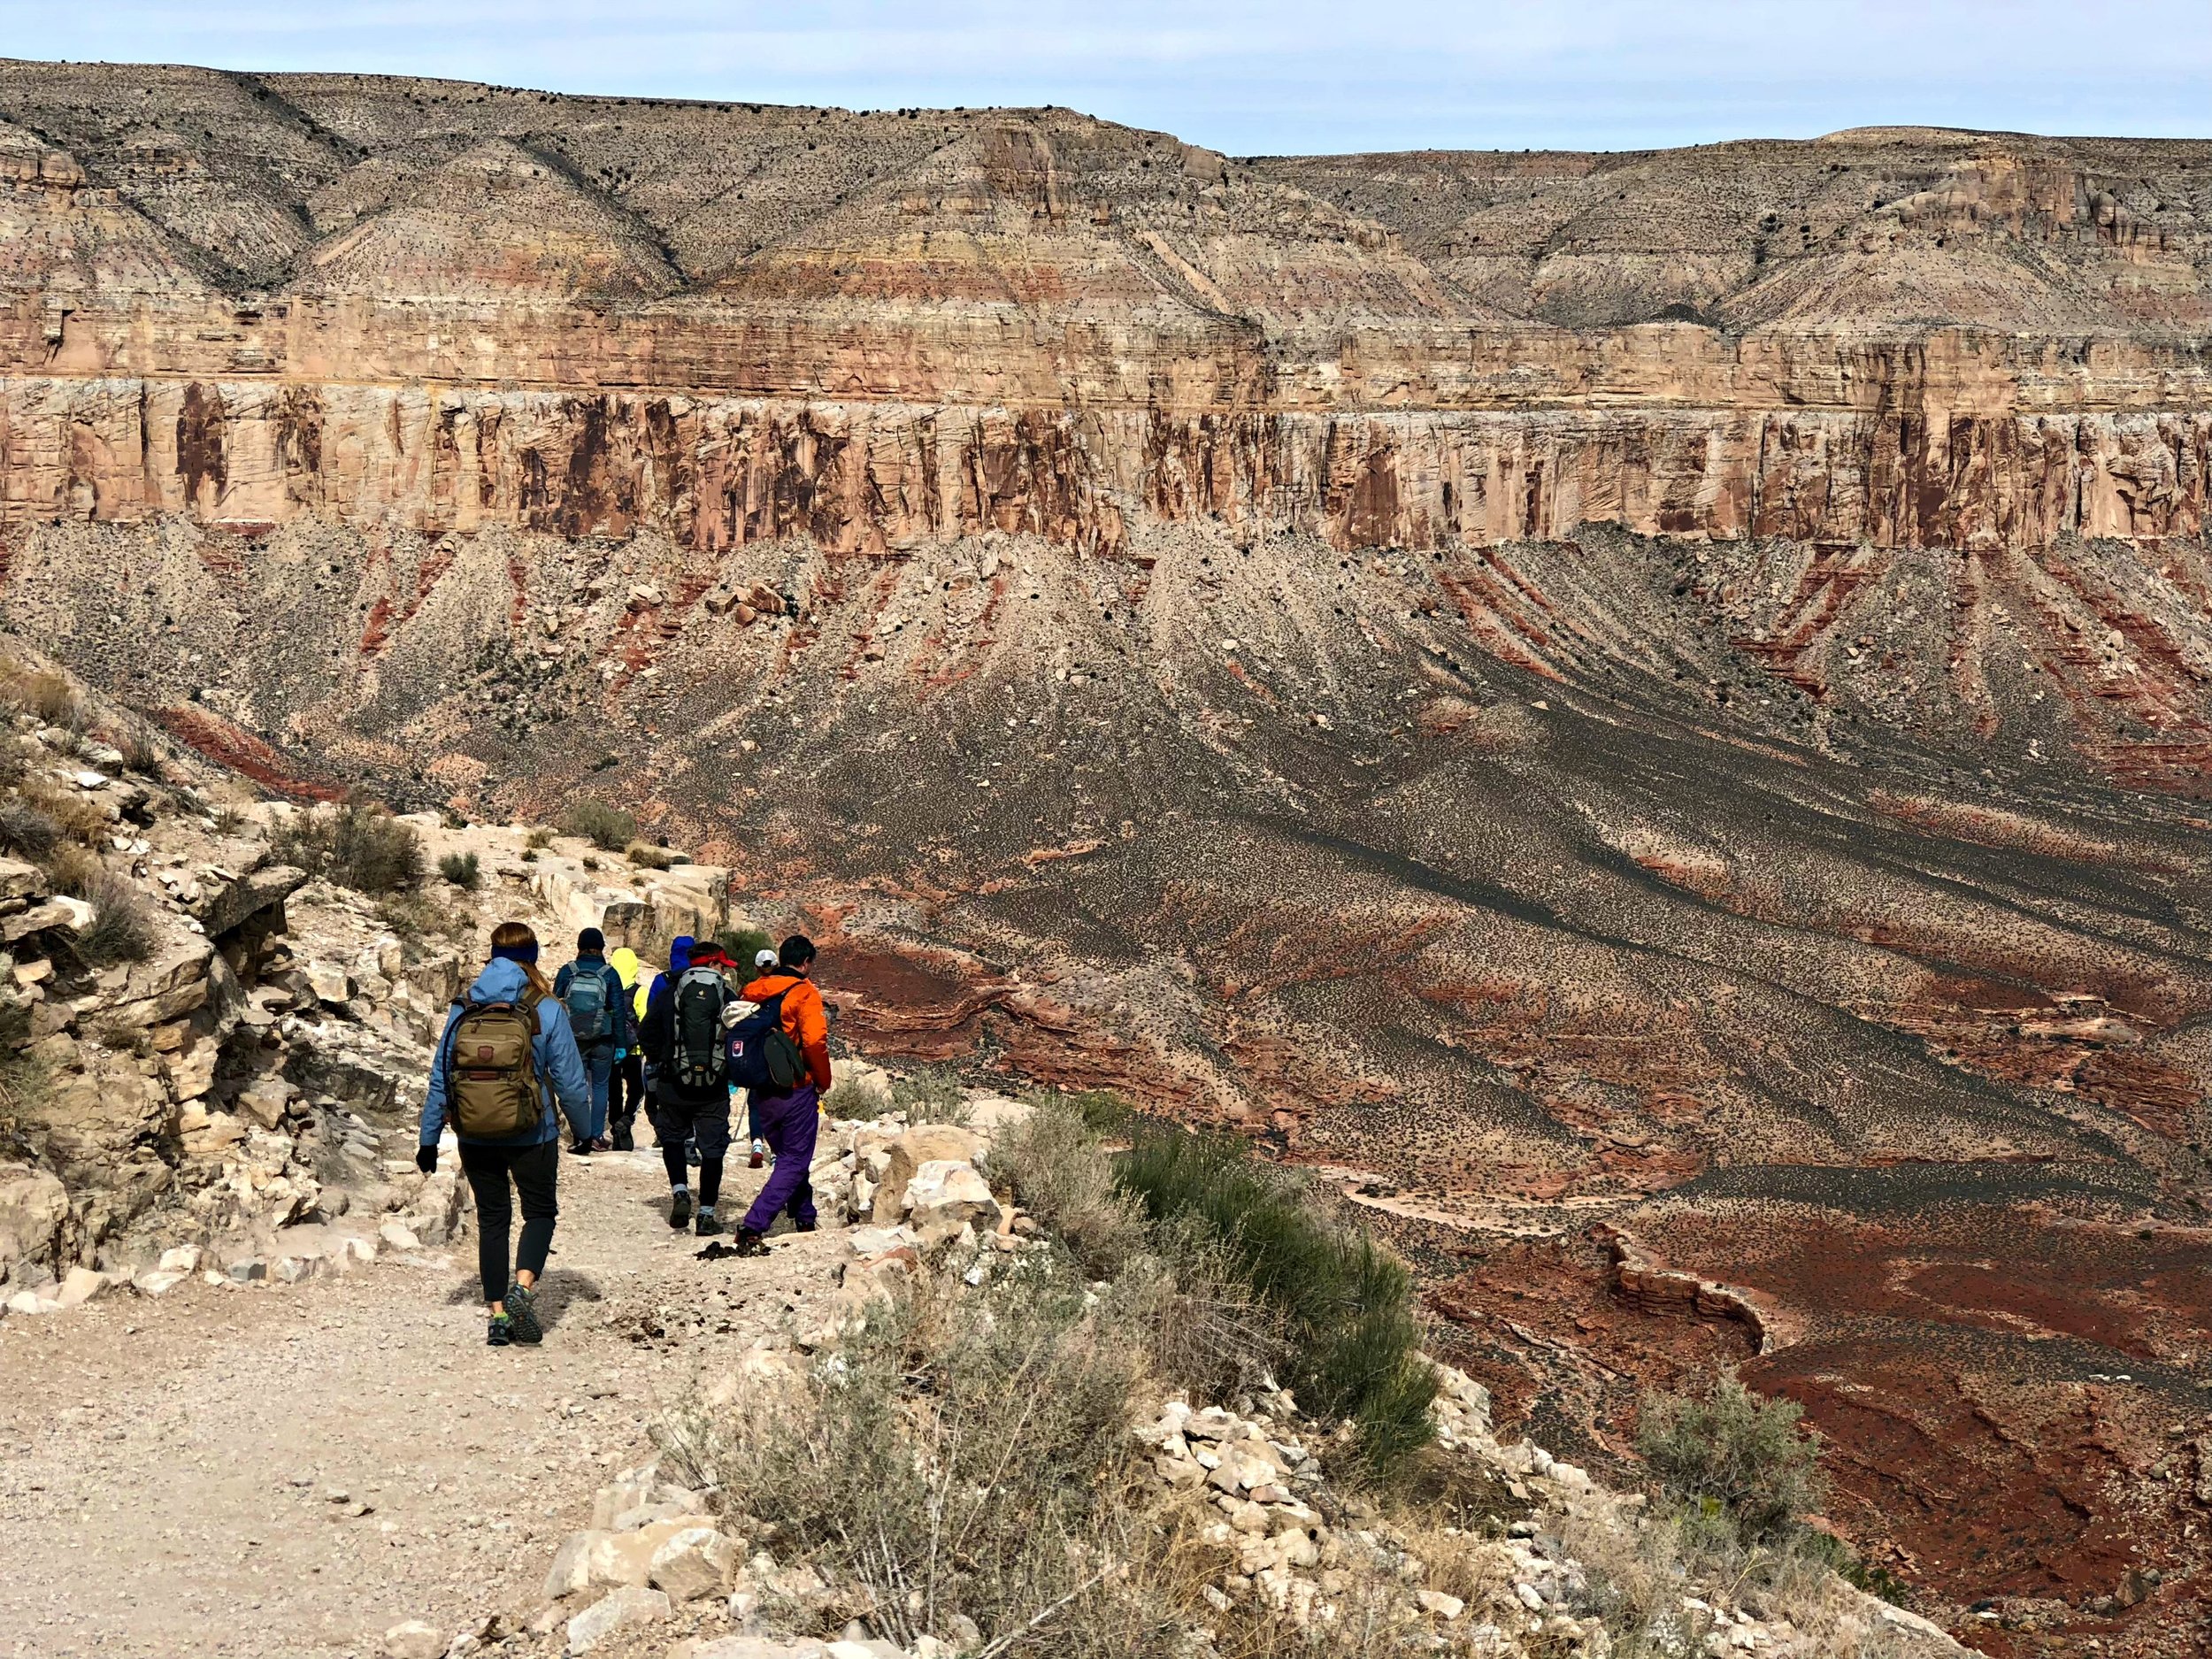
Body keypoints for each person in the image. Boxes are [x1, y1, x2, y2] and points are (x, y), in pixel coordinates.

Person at [417, 920, 590, 1347]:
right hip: (534, 1132)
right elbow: (569, 1081)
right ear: (532, 958)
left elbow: (441, 1077)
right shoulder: (546, 1008)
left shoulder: (464, 1008)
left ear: (491, 956)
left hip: (474, 1132)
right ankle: (523, 1288)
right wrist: (585, 1132)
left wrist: (428, 1138)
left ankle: (496, 1316)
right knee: (540, 1212)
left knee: (493, 1220)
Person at [730, 934, 834, 1256]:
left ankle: (805, 1218)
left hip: (763, 1089)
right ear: (805, 963)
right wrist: (823, 1080)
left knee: (791, 1158)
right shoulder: (804, 993)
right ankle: (753, 1225)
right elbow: (815, 1042)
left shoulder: (752, 989)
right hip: (795, 1087)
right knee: (793, 1160)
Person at [640, 938, 736, 1235]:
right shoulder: (727, 995)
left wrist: (664, 1059)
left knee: (672, 1139)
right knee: (713, 1150)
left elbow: (646, 1033)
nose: (724, 970)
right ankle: (706, 1214)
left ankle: (680, 1192)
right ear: (711, 963)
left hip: (673, 1084)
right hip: (713, 1088)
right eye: (722, 965)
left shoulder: (669, 993)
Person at [554, 926, 634, 1156]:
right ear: (601, 947)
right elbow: (618, 1010)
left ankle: (581, 1135)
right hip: (604, 1038)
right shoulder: (610, 973)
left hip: (573, 1039)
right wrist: (620, 1044)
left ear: (579, 946)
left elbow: (555, 1003)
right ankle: (597, 1135)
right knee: (600, 1086)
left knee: (575, 1085)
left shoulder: (567, 971)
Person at [608, 945, 647, 1151]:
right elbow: (646, 1021)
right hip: (633, 1051)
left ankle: (615, 1128)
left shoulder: (607, 988)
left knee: (614, 1092)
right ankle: (627, 1118)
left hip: (611, 1049)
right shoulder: (640, 992)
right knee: (636, 1089)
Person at [747, 947, 779, 1169]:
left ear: (757, 968)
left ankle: (757, 1143)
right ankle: (777, 1150)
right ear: (775, 965)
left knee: (755, 1099)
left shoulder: (749, 990)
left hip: (756, 1047)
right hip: (779, 1048)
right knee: (778, 1097)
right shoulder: (786, 988)